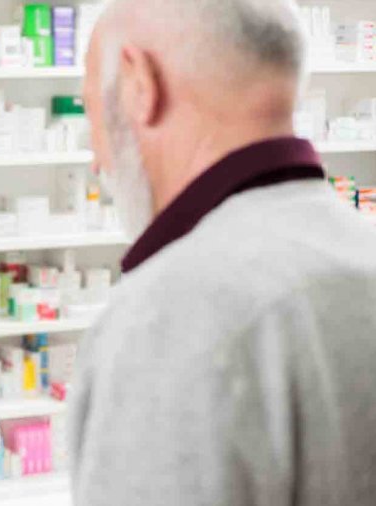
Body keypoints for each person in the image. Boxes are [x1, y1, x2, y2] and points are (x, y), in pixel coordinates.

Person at [70, 0, 376, 504]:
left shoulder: (172, 314)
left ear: (139, 84)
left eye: (90, 109)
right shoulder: (361, 255)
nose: (95, 153)